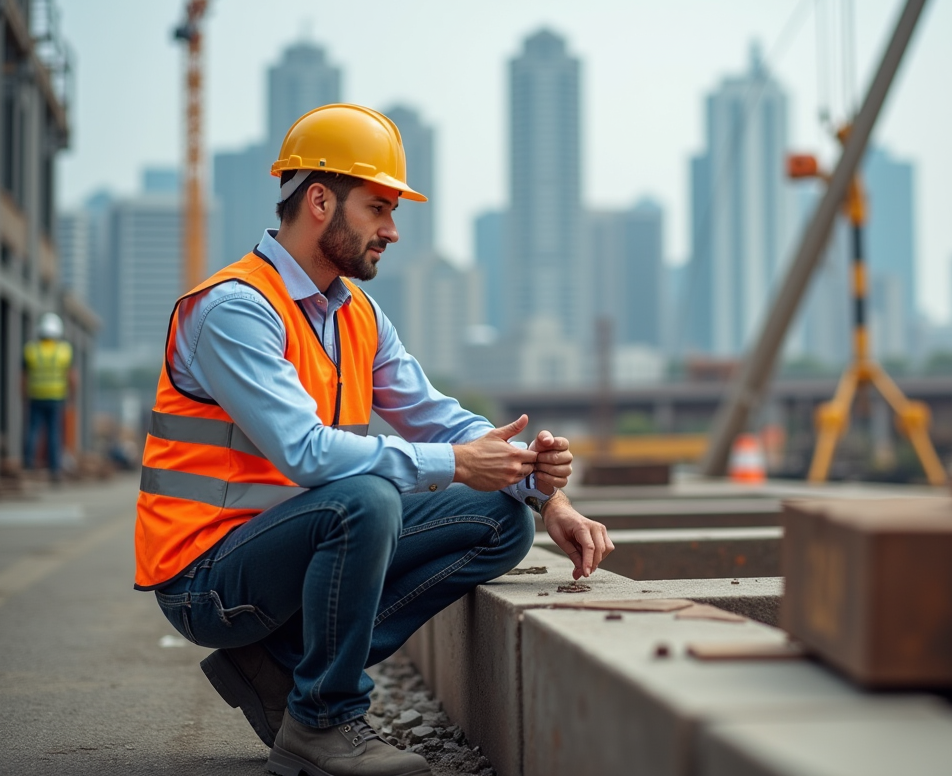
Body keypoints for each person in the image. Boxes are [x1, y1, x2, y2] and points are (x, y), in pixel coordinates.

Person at [134, 103, 614, 776]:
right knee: (366, 499)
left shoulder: (357, 313)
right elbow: (305, 452)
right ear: (322, 201)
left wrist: (540, 491)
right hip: (206, 575)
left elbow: (435, 415)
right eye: (378, 208)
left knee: (499, 520)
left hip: (291, 546)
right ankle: (324, 723)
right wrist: (452, 463)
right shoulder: (234, 310)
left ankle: (280, 675)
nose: (391, 230)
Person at [23, 312, 74, 483]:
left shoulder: (31, 350)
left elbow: (23, 377)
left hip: (35, 396)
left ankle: (29, 465)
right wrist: (71, 395)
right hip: (56, 398)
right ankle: (54, 470)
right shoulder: (64, 350)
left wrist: (24, 395)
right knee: (54, 434)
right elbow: (72, 377)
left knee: (33, 430)